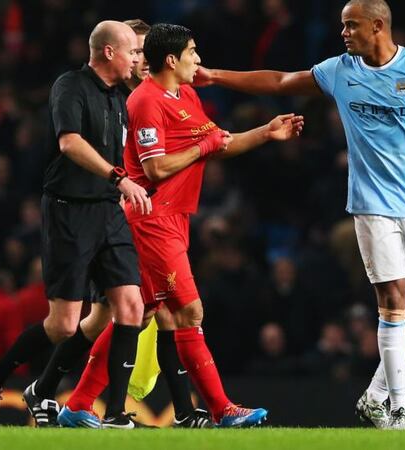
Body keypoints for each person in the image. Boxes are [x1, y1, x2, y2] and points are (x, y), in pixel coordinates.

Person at [195, 0, 405, 429]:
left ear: (378, 26)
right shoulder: (340, 70)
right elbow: (281, 81)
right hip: (372, 205)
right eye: (341, 25)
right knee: (392, 301)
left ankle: (375, 394)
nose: (343, 33)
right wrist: (214, 76)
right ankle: (398, 408)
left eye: (351, 25)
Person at [58, 23, 304, 428]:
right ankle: (223, 409)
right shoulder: (146, 102)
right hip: (151, 219)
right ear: (171, 59)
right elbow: (155, 167)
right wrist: (202, 146)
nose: (198, 60)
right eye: (193, 52)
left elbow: (219, 143)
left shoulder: (186, 95)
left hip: (176, 218)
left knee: (137, 315)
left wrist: (265, 133)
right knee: (190, 311)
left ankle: (78, 404)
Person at [0, 20, 149, 429]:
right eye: (132, 53)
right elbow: (69, 143)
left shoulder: (124, 95)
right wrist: (118, 177)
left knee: (130, 307)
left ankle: (117, 413)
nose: (137, 61)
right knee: (64, 324)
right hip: (70, 210)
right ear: (109, 52)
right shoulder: (70, 86)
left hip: (109, 210)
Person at [68, 18, 212, 429]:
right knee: (119, 316)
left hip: (159, 216)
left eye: (145, 54)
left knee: (150, 314)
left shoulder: (157, 96)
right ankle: (57, 393)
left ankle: (80, 401)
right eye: (137, 54)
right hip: (123, 219)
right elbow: (147, 163)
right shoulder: (125, 100)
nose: (142, 62)